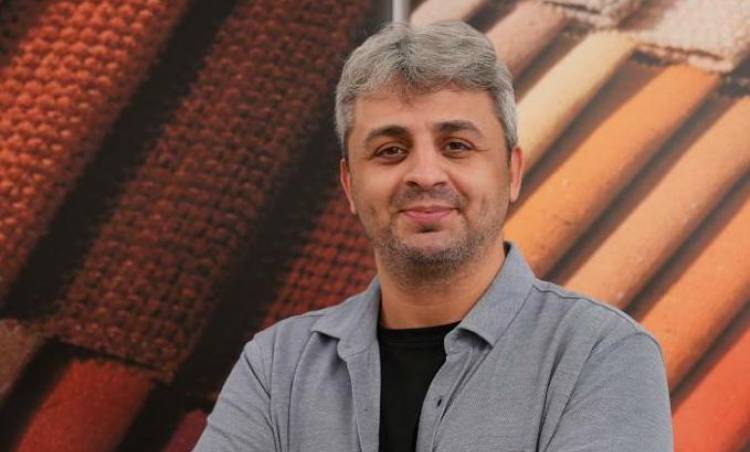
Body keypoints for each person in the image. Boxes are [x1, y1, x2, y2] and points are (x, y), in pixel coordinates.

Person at [194, 21, 673, 452]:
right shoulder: (278, 364)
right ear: (350, 185)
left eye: (456, 146)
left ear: (511, 172)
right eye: (390, 150)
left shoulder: (602, 353)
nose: (425, 174)